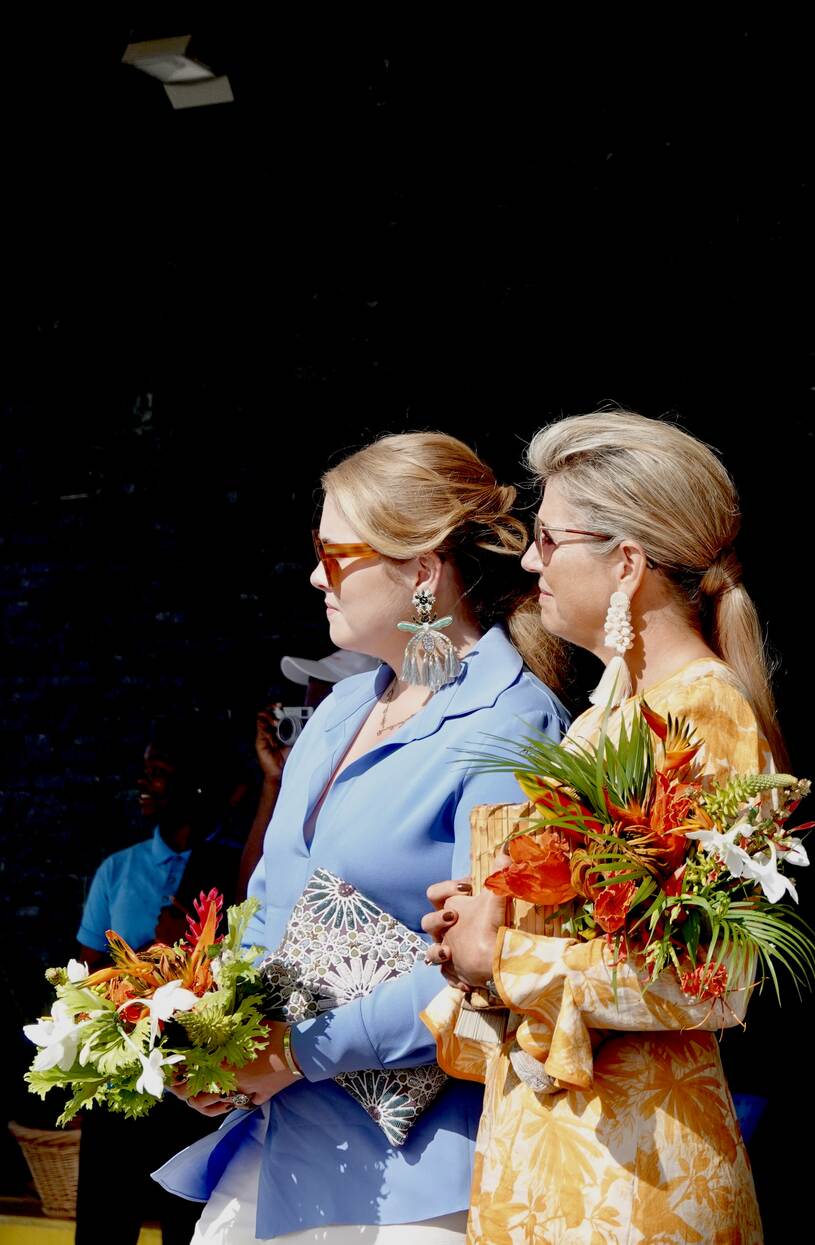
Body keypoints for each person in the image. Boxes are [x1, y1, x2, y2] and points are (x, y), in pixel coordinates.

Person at [154, 431, 569, 1242]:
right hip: (273, 1148)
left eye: (333, 552)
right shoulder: (340, 711)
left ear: (421, 570)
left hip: (416, 1178)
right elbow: (270, 909)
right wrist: (218, 1042)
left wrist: (292, 1054)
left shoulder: (513, 723)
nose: (316, 575)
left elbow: (494, 970)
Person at [421, 410, 781, 1244]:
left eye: (549, 538)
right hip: (567, 1171)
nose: (528, 559)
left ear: (626, 563)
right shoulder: (610, 717)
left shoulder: (701, 712)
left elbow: (712, 979)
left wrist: (502, 953)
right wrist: (478, 935)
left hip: (633, 1187)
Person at [75, 718, 245, 1245]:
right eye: (144, 772)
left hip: (195, 1083)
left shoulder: (231, 866)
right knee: (105, 1219)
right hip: (125, 1075)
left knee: (186, 1224)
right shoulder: (118, 869)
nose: (144, 784)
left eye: (159, 773)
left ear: (195, 785)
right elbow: (83, 978)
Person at [236, 649, 377, 899]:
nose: (314, 709)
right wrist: (275, 781)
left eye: (331, 695)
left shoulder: (374, 781)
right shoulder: (301, 779)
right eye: (308, 707)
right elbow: (249, 900)